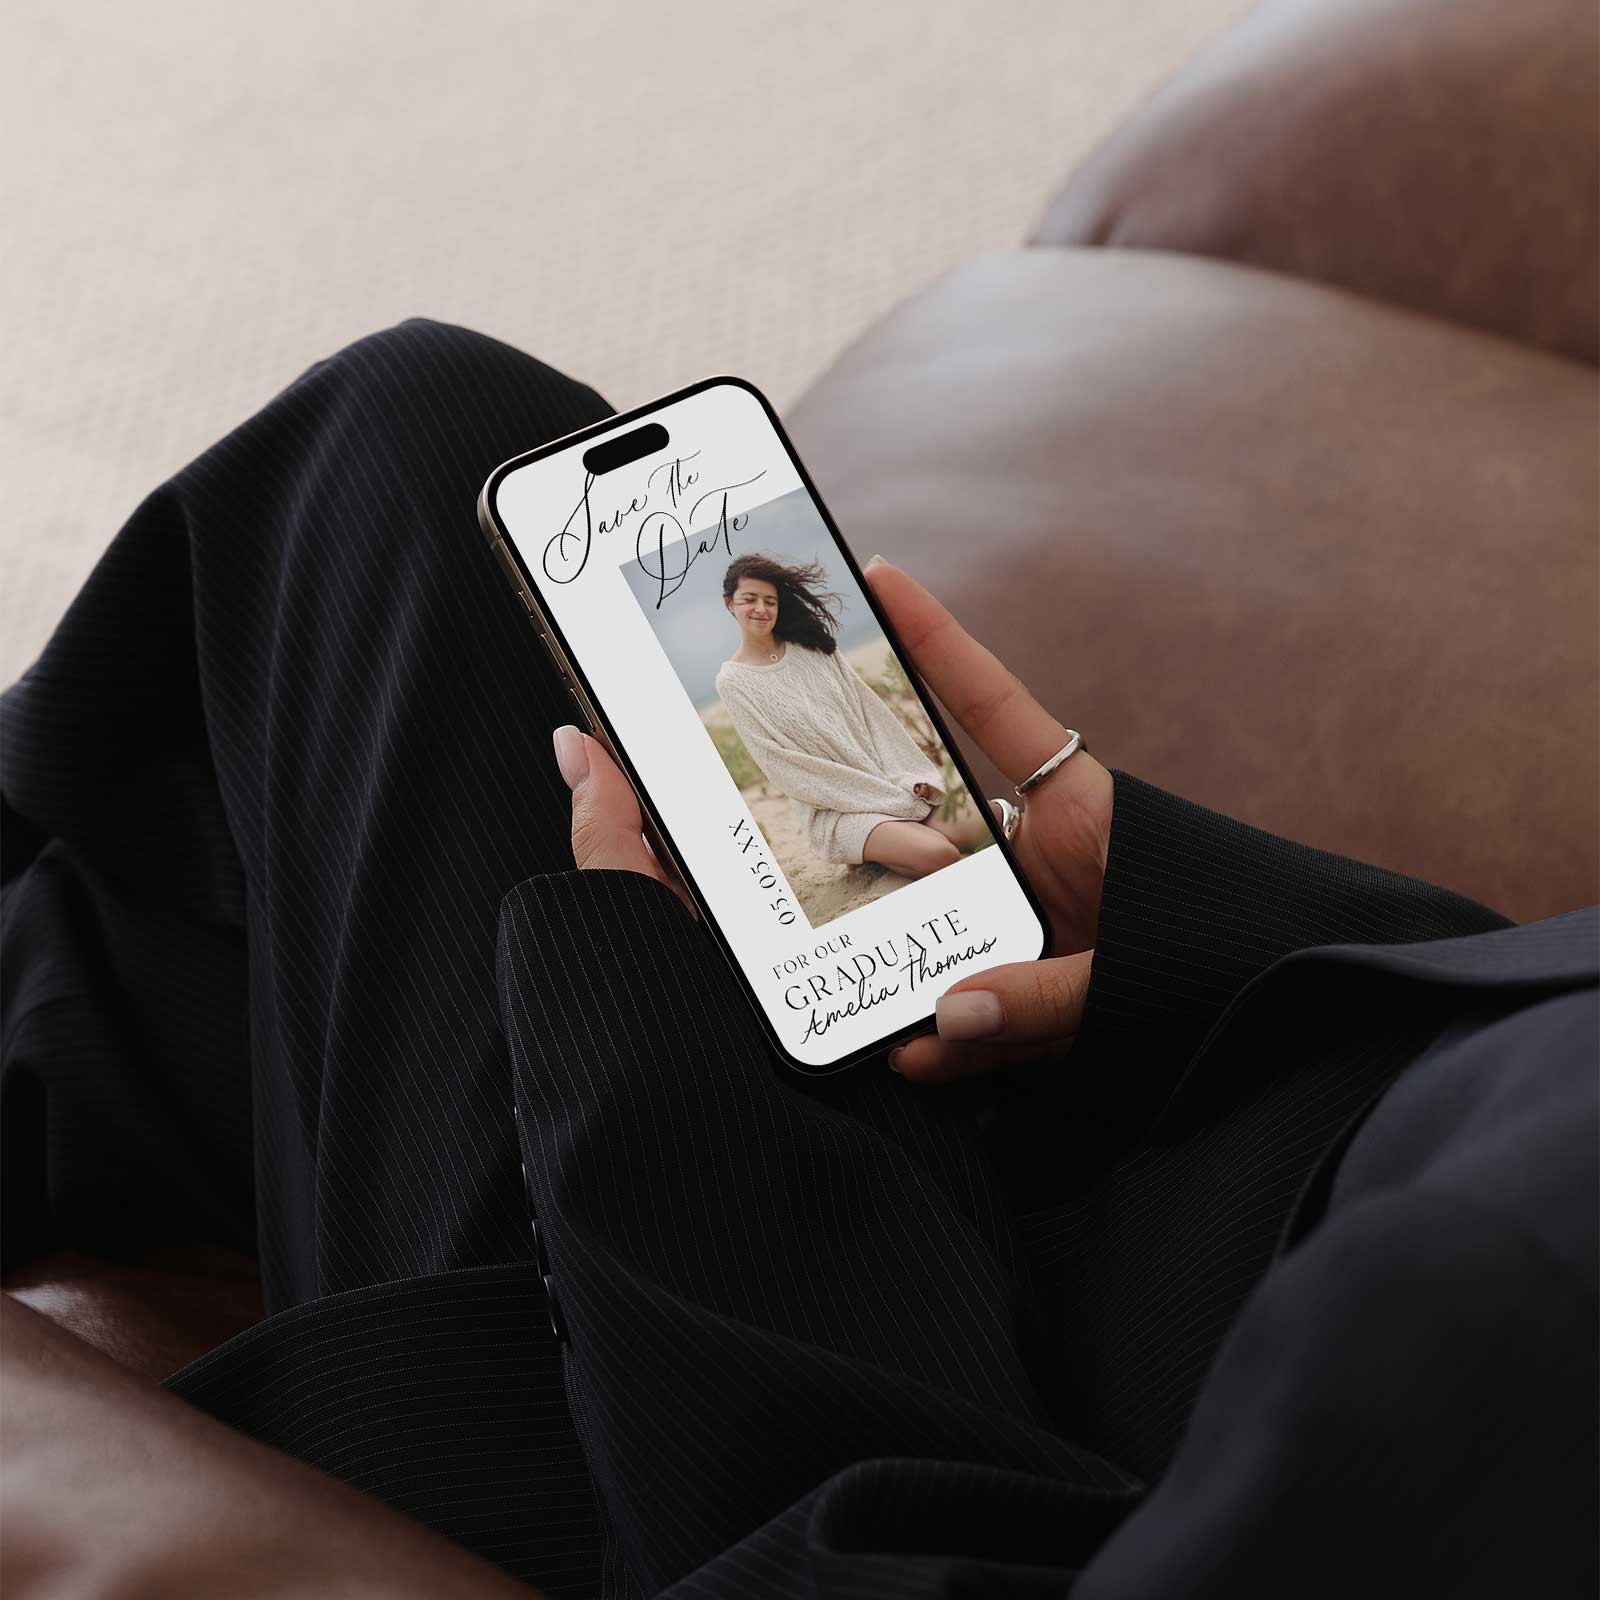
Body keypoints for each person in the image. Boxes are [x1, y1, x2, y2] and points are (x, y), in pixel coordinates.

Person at [2, 318, 1594, 1598]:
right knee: (443, 458)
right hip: (1133, 1112)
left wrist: (646, 1047)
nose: (755, 602)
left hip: (797, 1376)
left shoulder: (1515, 1334)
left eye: (764, 591)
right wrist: (1192, 915)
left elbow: (875, 1548)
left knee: (392, 459)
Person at [713, 552, 980, 879]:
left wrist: (906, 777)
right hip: (837, 810)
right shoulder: (733, 681)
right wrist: (880, 798)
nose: (761, 608)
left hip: (892, 784)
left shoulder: (813, 646)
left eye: (770, 601)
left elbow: (872, 715)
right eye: (749, 599)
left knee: (979, 826)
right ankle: (876, 848)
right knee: (940, 854)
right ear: (729, 602)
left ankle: (884, 847)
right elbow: (781, 767)